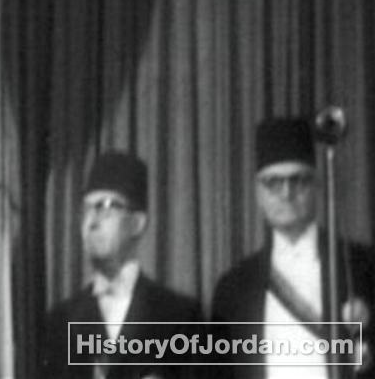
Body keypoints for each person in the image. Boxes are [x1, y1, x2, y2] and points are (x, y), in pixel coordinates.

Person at [211, 117, 375, 379]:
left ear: (317, 185)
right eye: (273, 183)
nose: (286, 193)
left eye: (298, 180)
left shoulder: (363, 266)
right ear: (258, 192)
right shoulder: (233, 288)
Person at [39, 151, 204, 379]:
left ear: (137, 223)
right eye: (86, 209)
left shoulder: (181, 317)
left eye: (106, 207)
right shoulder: (59, 322)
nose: (91, 222)